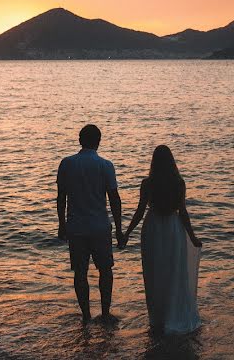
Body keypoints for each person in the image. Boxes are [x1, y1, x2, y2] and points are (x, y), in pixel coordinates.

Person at [121, 145, 202, 334]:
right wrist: (192, 237)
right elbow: (182, 212)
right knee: (174, 272)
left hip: (153, 228)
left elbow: (140, 211)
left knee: (155, 273)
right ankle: (173, 314)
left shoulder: (148, 183)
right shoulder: (178, 182)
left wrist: (127, 233)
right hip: (174, 229)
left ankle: (158, 318)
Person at [57, 124, 123, 323]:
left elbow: (61, 197)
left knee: (80, 272)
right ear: (99, 142)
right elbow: (114, 199)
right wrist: (119, 229)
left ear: (80, 140)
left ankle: (86, 315)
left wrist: (61, 224)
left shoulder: (67, 164)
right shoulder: (105, 165)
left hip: (76, 227)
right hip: (100, 226)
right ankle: (105, 312)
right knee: (105, 270)